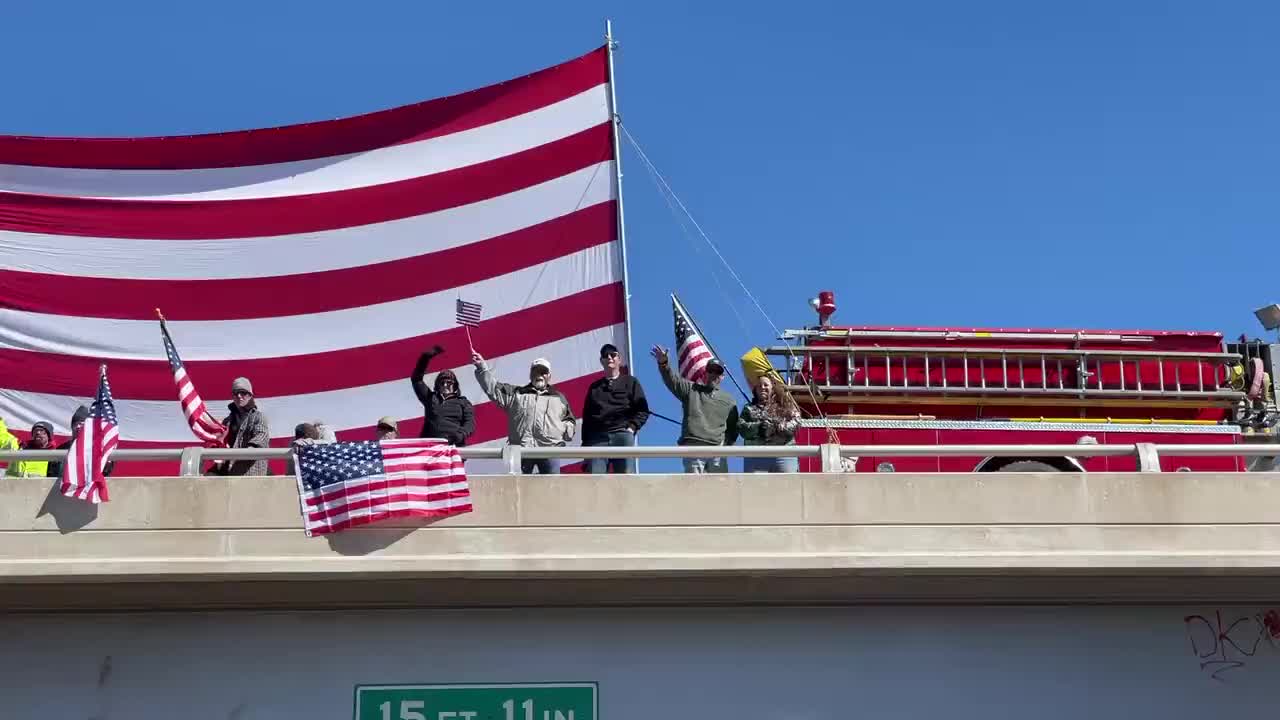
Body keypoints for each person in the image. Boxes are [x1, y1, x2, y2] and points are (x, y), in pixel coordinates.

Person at [473, 352, 576, 474]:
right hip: (521, 450)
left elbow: (569, 421)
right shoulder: (516, 393)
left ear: (549, 376)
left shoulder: (559, 398)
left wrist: (563, 429)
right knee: (517, 490)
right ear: (530, 374)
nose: (540, 375)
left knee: (552, 489)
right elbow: (493, 388)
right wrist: (482, 368)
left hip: (550, 451)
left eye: (543, 372)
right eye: (536, 371)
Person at [651, 345, 738, 473]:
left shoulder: (729, 400)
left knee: (720, 488)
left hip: (718, 451)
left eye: (718, 372)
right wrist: (664, 363)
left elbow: (733, 427)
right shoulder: (691, 389)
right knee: (695, 488)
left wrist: (725, 445)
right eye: (711, 371)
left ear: (722, 376)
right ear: (706, 372)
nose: (714, 374)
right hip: (694, 446)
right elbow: (673, 381)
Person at [581, 343, 649, 473]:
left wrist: (631, 428)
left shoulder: (630, 382)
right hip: (598, 439)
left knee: (625, 479)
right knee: (596, 481)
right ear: (602, 361)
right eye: (606, 356)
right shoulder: (594, 387)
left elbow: (642, 410)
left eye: (613, 355)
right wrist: (585, 447)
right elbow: (587, 419)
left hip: (622, 435)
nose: (610, 358)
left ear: (619, 359)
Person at [411, 345, 476, 446]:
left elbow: (470, 424)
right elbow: (416, 379)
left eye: (449, 382)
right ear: (438, 386)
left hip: (453, 448)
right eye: (442, 383)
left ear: (455, 385)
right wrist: (425, 358)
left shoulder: (463, 402)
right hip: (430, 449)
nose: (445, 385)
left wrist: (460, 435)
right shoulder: (430, 398)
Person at [738, 375, 802, 472]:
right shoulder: (748, 408)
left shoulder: (785, 405)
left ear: (772, 387)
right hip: (756, 456)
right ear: (755, 390)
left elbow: (797, 421)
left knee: (787, 485)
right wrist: (759, 427)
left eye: (765, 385)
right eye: (759, 386)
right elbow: (741, 427)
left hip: (784, 455)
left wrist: (779, 427)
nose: (762, 388)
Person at [210, 377, 270, 476]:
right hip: (228, 473)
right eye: (235, 393)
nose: (239, 396)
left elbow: (259, 441)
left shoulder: (258, 417)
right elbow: (220, 444)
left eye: (243, 392)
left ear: (250, 395)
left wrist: (239, 455)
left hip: (250, 474)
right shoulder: (227, 421)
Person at [46, 406, 116, 480]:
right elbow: (51, 473)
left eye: (82, 423)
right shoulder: (62, 449)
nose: (78, 426)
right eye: (75, 424)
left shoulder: (100, 447)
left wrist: (107, 464)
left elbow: (106, 472)